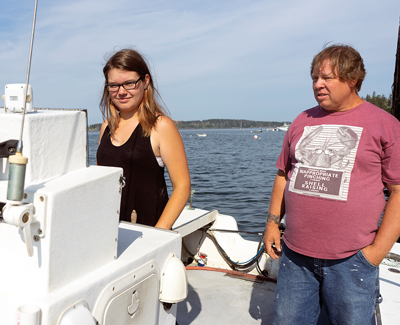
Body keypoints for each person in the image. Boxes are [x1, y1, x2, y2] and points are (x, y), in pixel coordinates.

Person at [264, 44, 400, 324]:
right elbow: (283, 175)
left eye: (327, 77)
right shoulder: (302, 120)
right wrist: (271, 223)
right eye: (314, 77)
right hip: (295, 256)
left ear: (353, 79)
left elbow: (399, 190)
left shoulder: (384, 124)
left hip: (352, 260)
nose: (318, 84)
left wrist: (375, 253)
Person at [97, 49, 191, 229]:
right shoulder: (106, 127)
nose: (121, 91)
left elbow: (182, 187)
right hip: (108, 231)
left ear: (145, 81)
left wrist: (158, 233)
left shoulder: (160, 126)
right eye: (114, 85)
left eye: (129, 83)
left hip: (148, 233)